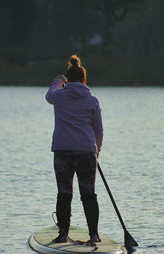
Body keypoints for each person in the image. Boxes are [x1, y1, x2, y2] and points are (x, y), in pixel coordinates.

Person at [45, 55, 103, 243]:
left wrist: (58, 81)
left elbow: (49, 95)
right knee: (89, 194)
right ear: (84, 79)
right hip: (87, 152)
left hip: (63, 151)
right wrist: (97, 150)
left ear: (68, 80)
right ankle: (94, 236)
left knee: (64, 193)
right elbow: (98, 130)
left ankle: (63, 235)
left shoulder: (59, 96)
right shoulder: (93, 100)